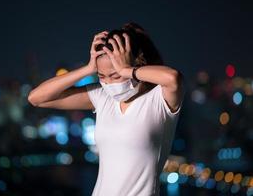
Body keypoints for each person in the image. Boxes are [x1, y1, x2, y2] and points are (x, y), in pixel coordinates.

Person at [28, 22, 185, 196]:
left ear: (136, 64)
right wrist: (88, 69)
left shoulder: (158, 100)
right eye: (102, 76)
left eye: (116, 75)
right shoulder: (102, 97)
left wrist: (127, 70)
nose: (109, 83)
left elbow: (173, 78)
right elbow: (36, 98)